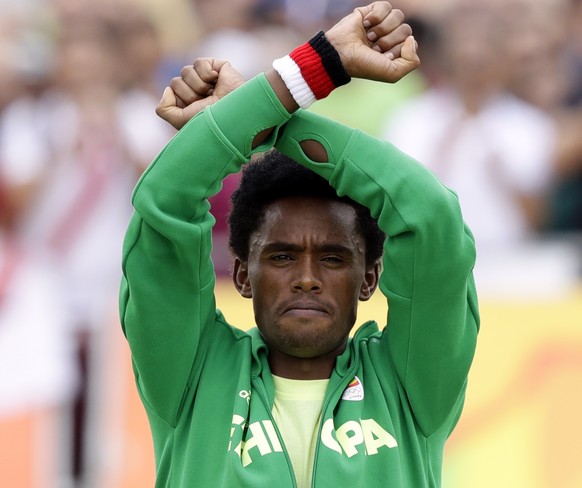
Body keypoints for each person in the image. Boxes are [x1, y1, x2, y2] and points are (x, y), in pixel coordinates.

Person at [120, 2, 479, 487]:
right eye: (282, 256)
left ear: (370, 276)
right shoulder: (191, 374)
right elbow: (163, 201)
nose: (307, 278)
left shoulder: (411, 381)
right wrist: (300, 79)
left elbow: (431, 216)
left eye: (333, 259)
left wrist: (266, 118)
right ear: (243, 274)